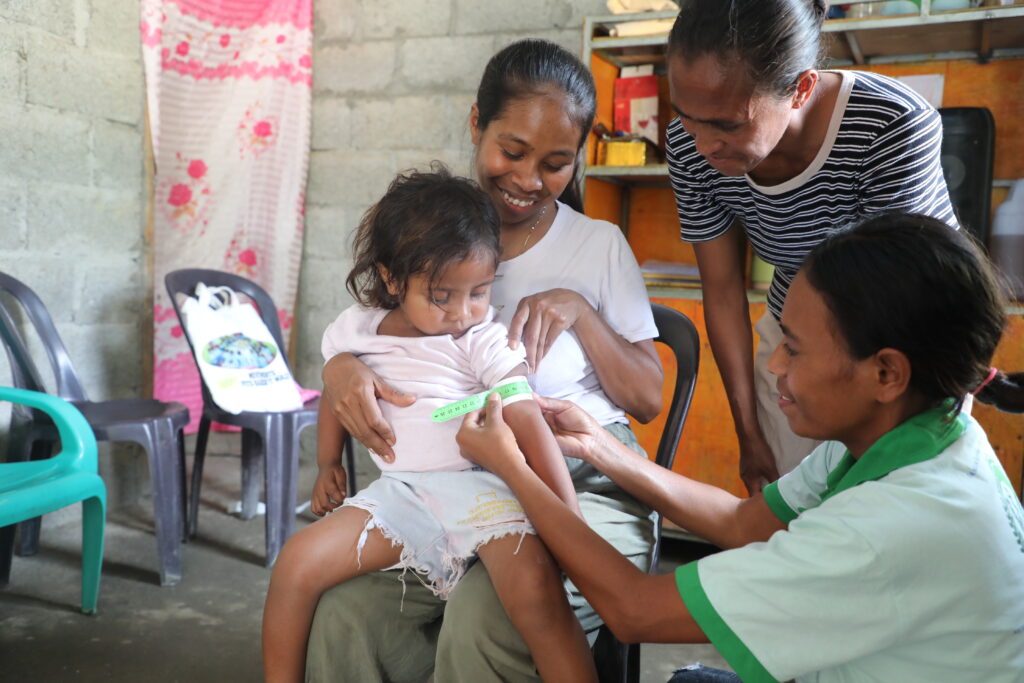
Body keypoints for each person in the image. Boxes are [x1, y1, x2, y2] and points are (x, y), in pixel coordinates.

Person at [457, 213, 1024, 683]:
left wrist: (512, 464)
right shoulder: (910, 430)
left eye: (795, 351)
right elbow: (741, 520)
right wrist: (603, 447)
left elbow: (633, 609)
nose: (774, 364)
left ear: (886, 373)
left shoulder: (890, 529)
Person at [305, 39, 664, 682]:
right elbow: (374, 334)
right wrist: (341, 369)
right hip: (446, 487)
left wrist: (581, 310)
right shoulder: (429, 230)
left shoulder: (598, 245)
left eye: (557, 164)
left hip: (581, 478)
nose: (529, 180)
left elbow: (647, 398)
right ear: (477, 122)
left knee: (487, 612)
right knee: (342, 612)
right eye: (513, 151)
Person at [262, 167, 599, 682]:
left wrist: (567, 521)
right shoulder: (357, 329)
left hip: (487, 492)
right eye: (442, 296)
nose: (463, 312)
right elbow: (337, 393)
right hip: (402, 496)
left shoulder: (481, 340)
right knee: (295, 564)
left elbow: (527, 419)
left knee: (538, 601)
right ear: (393, 278)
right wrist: (329, 461)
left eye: (479, 292)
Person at [664, 0, 958, 492]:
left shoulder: (890, 124)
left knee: (883, 507)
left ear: (800, 89)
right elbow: (721, 292)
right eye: (688, 118)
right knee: (791, 512)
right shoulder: (689, 146)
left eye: (728, 124)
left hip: (909, 342)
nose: (702, 145)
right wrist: (750, 430)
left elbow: (903, 303)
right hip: (795, 331)